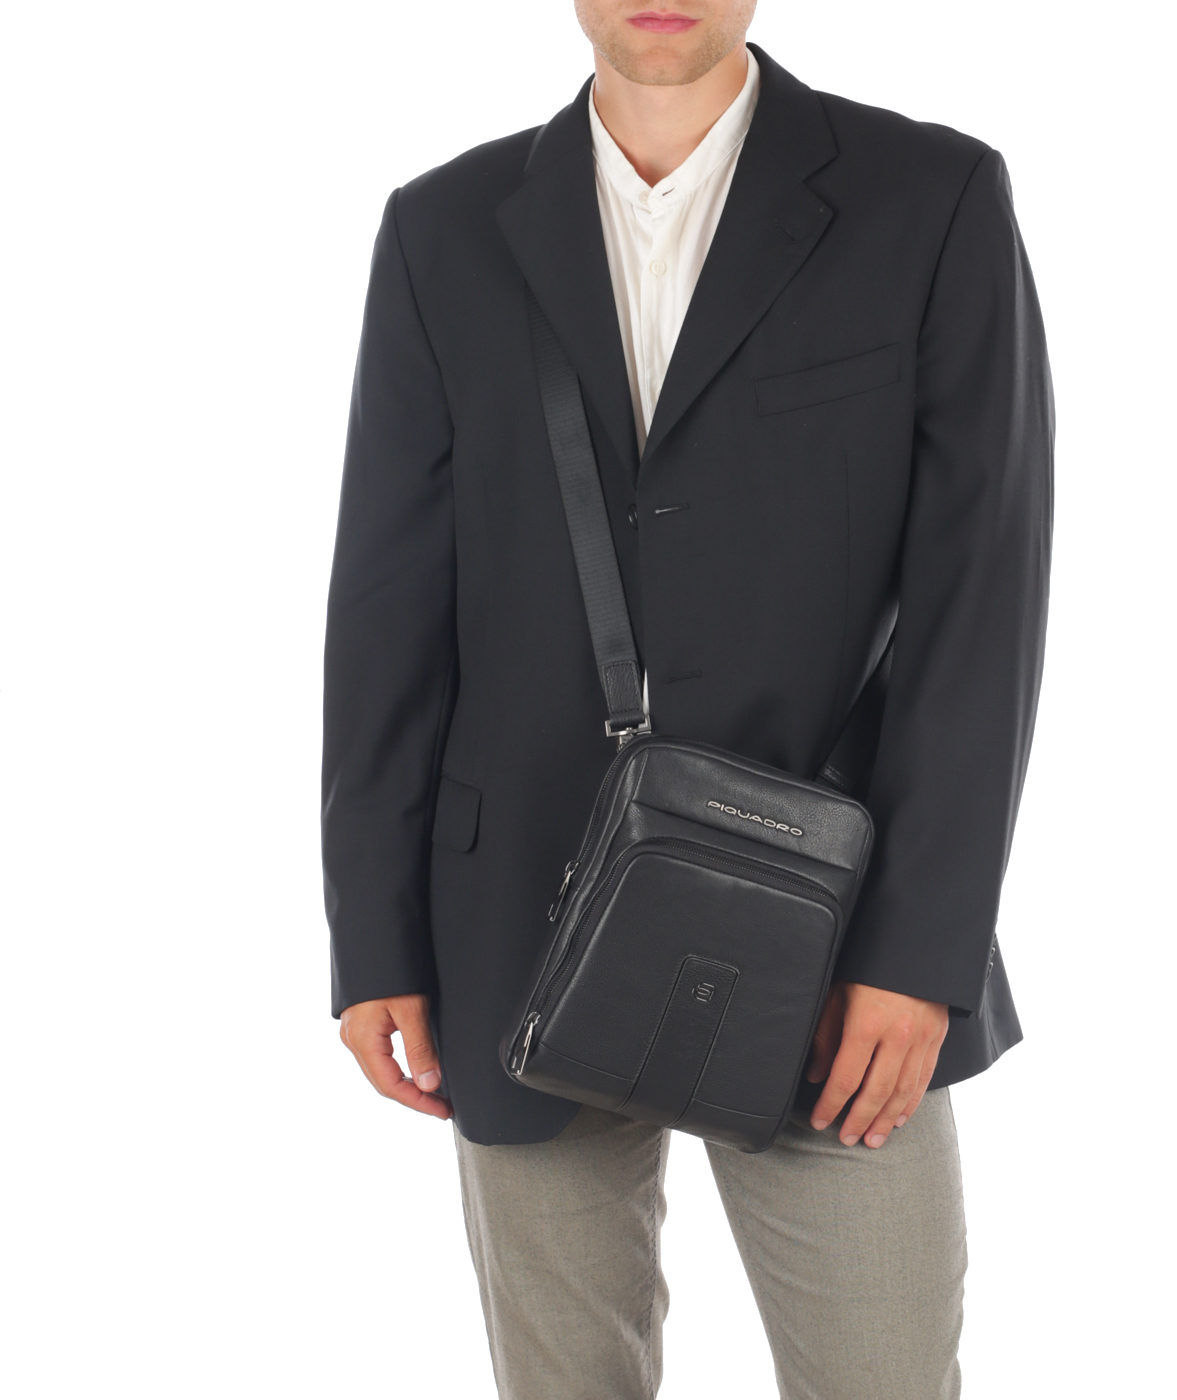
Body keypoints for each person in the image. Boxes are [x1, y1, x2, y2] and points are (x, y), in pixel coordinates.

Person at [323, 3, 1053, 1396]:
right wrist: (373, 932)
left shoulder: (932, 198)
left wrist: (923, 949)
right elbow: (387, 607)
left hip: (834, 933)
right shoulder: (442, 228)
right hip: (514, 919)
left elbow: (985, 603)